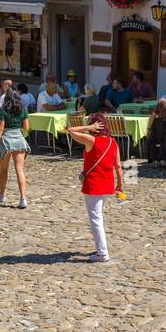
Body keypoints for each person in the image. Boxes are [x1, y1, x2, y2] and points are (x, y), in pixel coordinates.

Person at [67, 100, 124, 263]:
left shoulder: (91, 140)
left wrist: (87, 128)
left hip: (94, 185)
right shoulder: (113, 142)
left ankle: (102, 253)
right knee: (98, 217)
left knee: (96, 219)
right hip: (107, 185)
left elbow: (70, 130)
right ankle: (101, 248)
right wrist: (120, 185)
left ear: (95, 126)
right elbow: (118, 166)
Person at [0, 86, 31, 208]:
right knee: (19, 170)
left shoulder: (3, 110)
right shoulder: (22, 109)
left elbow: (0, 129)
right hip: (19, 139)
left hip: (6, 141)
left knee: (4, 170)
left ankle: (2, 194)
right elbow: (26, 128)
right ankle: (23, 198)